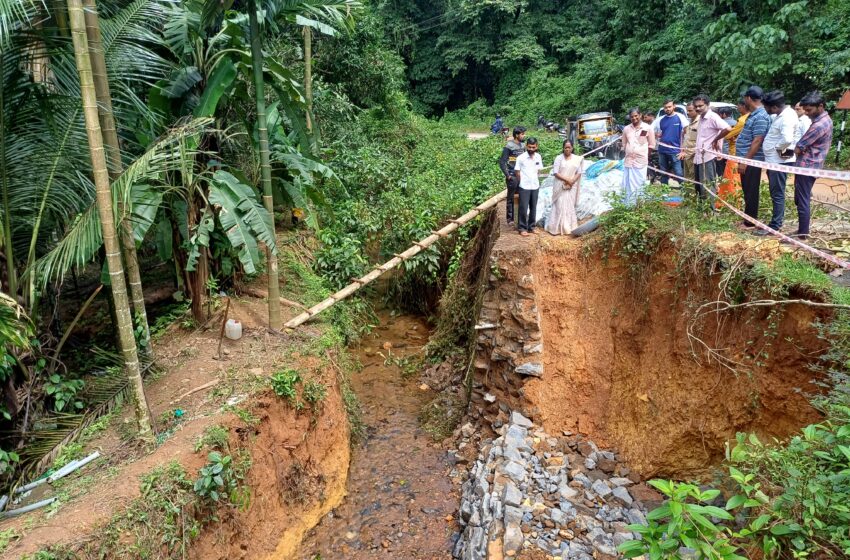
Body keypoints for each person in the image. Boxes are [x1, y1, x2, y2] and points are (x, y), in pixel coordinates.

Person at [755, 90, 798, 235]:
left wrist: (778, 152)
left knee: (777, 193)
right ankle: (775, 222)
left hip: (778, 162)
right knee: (776, 192)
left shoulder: (786, 118)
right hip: (775, 161)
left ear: (773, 107)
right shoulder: (783, 114)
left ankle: (775, 226)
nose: (765, 110)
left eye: (766, 107)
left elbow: (787, 139)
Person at [793, 91, 833, 239]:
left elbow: (800, 146)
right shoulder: (824, 120)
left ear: (820, 106)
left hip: (807, 166)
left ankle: (803, 234)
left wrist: (791, 151)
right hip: (811, 165)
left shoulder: (818, 125)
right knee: (800, 198)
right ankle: (801, 230)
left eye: (809, 110)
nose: (807, 113)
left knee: (802, 200)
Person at [735, 85, 771, 228]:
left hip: (752, 160)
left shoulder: (761, 116)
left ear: (748, 98)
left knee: (751, 190)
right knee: (747, 188)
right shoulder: (755, 114)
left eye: (744, 99)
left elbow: (757, 140)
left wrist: (745, 161)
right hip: (747, 159)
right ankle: (748, 218)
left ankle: (750, 221)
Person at [694, 94, 732, 204]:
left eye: (700, 106)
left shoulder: (712, 117)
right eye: (696, 106)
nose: (698, 108)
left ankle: (711, 210)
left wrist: (716, 140)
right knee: (700, 184)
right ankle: (702, 208)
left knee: (709, 183)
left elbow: (727, 128)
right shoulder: (701, 118)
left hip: (708, 157)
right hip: (698, 156)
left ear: (707, 105)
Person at [717, 99, 750, 205]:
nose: (738, 108)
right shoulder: (742, 119)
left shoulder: (742, 120)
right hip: (740, 153)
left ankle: (733, 200)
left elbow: (728, 135)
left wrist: (722, 137)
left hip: (734, 153)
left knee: (732, 178)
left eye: (738, 106)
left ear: (744, 106)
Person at [546, 140, 582, 235]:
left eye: (569, 147)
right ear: (563, 148)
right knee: (560, 205)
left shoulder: (576, 159)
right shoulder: (559, 158)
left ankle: (568, 226)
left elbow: (579, 172)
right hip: (560, 185)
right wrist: (567, 180)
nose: (567, 149)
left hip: (571, 186)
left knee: (569, 206)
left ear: (572, 148)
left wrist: (572, 181)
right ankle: (556, 228)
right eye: (565, 147)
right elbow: (555, 172)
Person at [621, 108, 656, 204]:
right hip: (629, 161)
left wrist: (645, 155)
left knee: (639, 183)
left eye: (636, 116)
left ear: (640, 115)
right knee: (628, 184)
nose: (634, 118)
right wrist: (627, 151)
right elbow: (624, 144)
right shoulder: (626, 129)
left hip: (641, 162)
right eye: (632, 116)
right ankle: (629, 204)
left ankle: (639, 203)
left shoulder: (647, 128)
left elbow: (652, 145)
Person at [513, 137, 544, 236]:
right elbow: (517, 172)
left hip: (535, 185)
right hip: (524, 186)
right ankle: (522, 228)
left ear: (536, 146)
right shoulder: (521, 158)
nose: (531, 149)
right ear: (526, 146)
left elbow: (539, 170)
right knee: (523, 207)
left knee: (533, 207)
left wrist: (535, 178)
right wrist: (521, 182)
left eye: (533, 147)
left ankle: (532, 227)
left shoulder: (538, 156)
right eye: (529, 147)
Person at [655, 99, 688, 185]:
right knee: (663, 173)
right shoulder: (660, 119)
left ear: (674, 106)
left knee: (679, 173)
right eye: (665, 107)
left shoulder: (680, 117)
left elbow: (687, 133)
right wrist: (656, 135)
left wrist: (683, 150)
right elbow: (651, 130)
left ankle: (685, 192)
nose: (667, 109)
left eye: (669, 107)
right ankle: (664, 193)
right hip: (662, 150)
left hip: (675, 151)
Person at [499, 126, 526, 224]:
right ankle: (510, 219)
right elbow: (502, 162)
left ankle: (518, 217)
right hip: (512, 175)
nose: (524, 136)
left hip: (521, 176)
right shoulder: (509, 146)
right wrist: (508, 175)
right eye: (522, 134)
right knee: (511, 197)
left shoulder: (523, 146)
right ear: (517, 135)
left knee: (521, 197)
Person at [678, 103, 700, 183]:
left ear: (696, 110)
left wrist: (688, 153)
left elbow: (699, 143)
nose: (688, 112)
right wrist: (682, 151)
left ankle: (693, 195)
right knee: (687, 177)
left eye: (690, 110)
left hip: (694, 155)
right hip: (686, 155)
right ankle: (688, 195)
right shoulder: (688, 122)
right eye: (687, 110)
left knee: (693, 178)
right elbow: (686, 139)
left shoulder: (700, 122)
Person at [715, 107, 737, 177]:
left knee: (721, 170)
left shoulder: (721, 123)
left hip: (723, 151)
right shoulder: (736, 122)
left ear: (724, 114)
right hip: (733, 151)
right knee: (731, 170)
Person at [642, 112, 659, 183]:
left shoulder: (655, 124)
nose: (644, 119)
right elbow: (642, 135)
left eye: (645, 117)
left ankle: (654, 177)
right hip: (650, 147)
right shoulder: (647, 125)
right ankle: (653, 177)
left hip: (656, 148)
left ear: (651, 116)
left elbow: (643, 134)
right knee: (649, 162)